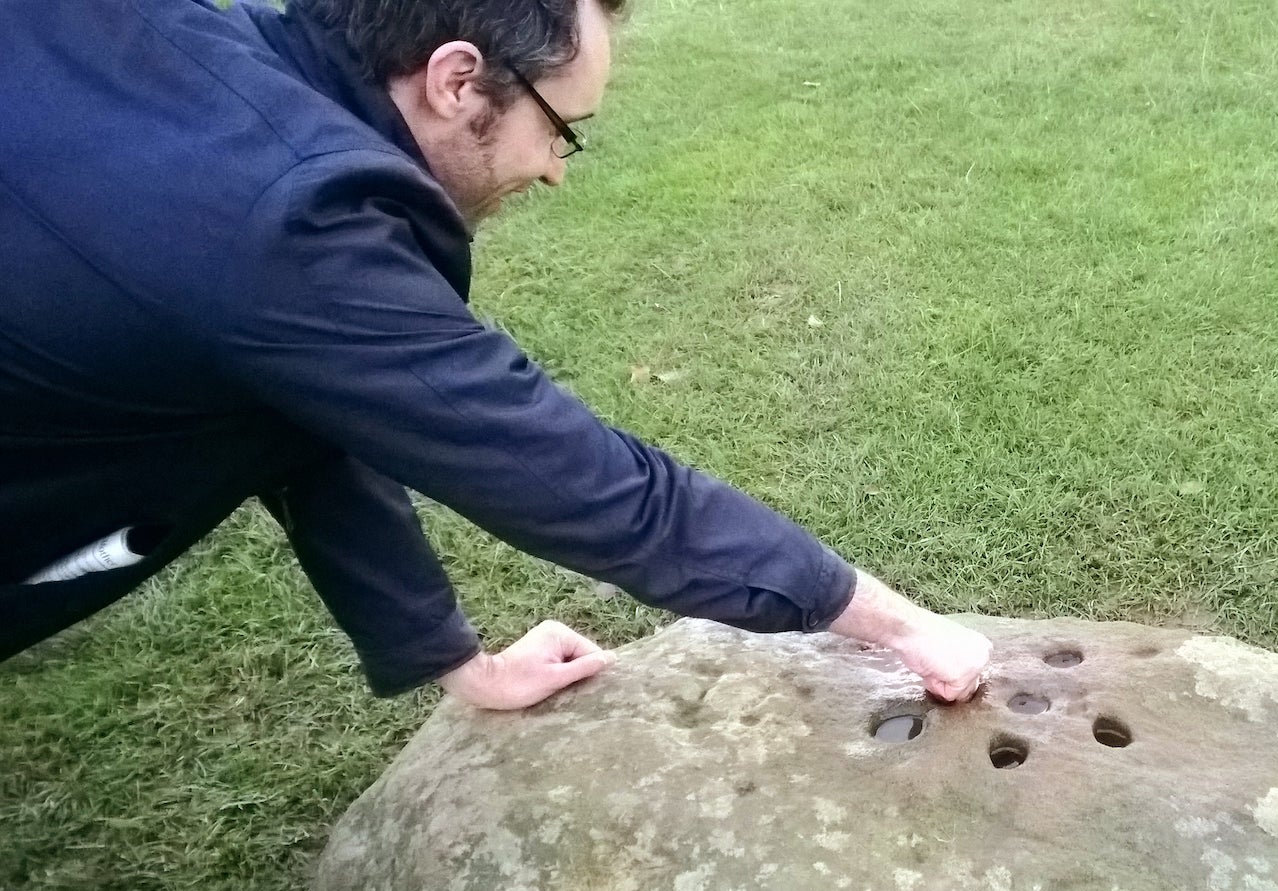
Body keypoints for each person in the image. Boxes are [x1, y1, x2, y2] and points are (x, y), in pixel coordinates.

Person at [0, 0, 991, 709]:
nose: (555, 171)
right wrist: (900, 627)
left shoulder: (188, 54)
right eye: (562, 130)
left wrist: (455, 660)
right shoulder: (287, 223)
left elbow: (296, 418)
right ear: (456, 78)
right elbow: (596, 489)